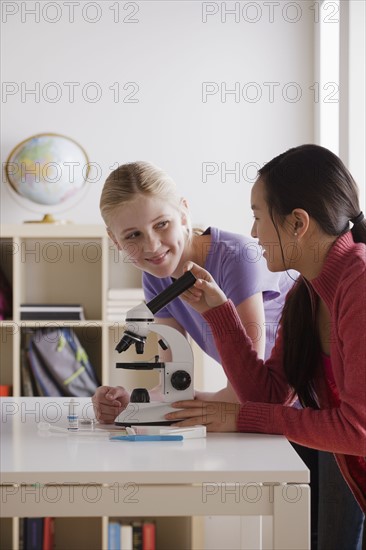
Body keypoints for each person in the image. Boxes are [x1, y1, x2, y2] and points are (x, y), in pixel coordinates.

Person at [166, 144, 366, 548]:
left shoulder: (359, 283)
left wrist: (242, 418)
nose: (253, 232)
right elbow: (270, 395)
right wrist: (220, 313)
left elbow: (358, 430)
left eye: (258, 216)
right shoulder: (305, 295)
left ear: (297, 223)